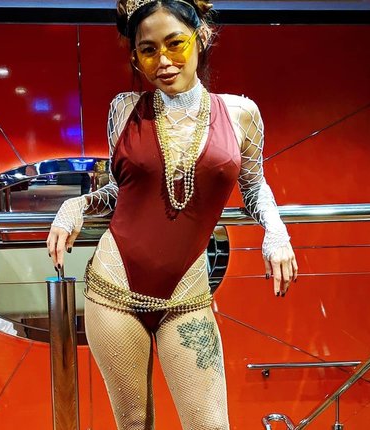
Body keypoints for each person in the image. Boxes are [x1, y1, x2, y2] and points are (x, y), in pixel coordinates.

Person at [46, 0, 298, 428]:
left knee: (210, 424)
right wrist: (77, 205)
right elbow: (121, 189)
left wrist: (276, 233)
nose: (163, 61)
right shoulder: (125, 108)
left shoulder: (241, 114)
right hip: (113, 289)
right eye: (148, 50)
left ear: (202, 37)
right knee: (134, 423)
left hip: (187, 296)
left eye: (174, 43)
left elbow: (254, 186)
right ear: (135, 56)